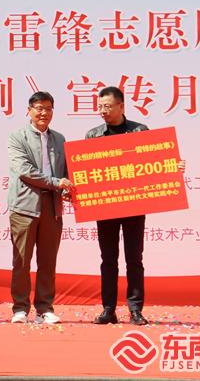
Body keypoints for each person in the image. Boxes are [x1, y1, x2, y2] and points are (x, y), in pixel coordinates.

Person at [6, 91, 72, 324]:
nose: (44, 113)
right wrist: (56, 183)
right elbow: (24, 170)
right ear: (29, 111)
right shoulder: (18, 137)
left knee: (48, 261)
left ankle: (45, 308)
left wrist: (68, 188)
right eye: (39, 108)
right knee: (21, 260)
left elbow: (67, 172)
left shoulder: (60, 139)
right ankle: (20, 308)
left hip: (52, 206)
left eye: (48, 108)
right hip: (24, 206)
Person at [86, 86, 150, 326]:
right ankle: (108, 309)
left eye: (107, 106)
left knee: (134, 259)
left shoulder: (140, 131)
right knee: (108, 259)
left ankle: (135, 310)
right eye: (100, 106)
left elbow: (151, 164)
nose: (102, 111)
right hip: (105, 206)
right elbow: (86, 170)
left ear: (121, 106)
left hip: (133, 205)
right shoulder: (93, 135)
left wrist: (172, 167)